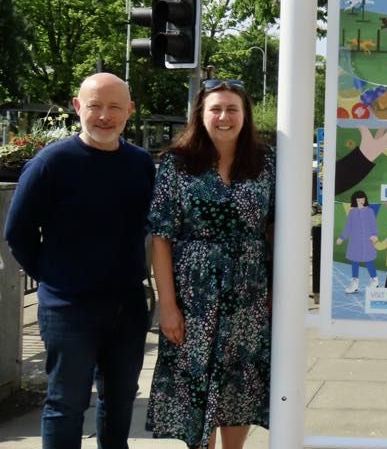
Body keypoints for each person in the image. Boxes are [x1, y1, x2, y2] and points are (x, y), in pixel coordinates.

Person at [4, 73, 155, 448]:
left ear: (130, 111)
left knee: (121, 400)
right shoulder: (50, 164)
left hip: (127, 305)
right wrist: (54, 278)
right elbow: (17, 233)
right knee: (65, 403)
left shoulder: (140, 164)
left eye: (115, 107)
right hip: (68, 307)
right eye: (95, 106)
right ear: (77, 107)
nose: (105, 115)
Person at [145, 79, 275, 449]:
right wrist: (167, 306)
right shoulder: (177, 163)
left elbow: (276, 228)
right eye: (215, 109)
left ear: (244, 115)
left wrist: (276, 292)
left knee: (239, 383)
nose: (223, 117)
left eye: (232, 109)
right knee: (195, 383)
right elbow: (161, 237)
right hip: (193, 294)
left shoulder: (266, 163)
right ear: (201, 115)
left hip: (248, 294)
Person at [337, 189, 379, 293]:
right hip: (355, 242)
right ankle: (354, 283)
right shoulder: (352, 213)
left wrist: (374, 235)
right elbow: (348, 227)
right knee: (354, 261)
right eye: (359, 199)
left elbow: (373, 224)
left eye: (363, 198)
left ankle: (374, 280)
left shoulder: (369, 211)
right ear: (355, 200)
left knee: (368, 260)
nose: (361, 200)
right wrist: (341, 237)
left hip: (367, 241)